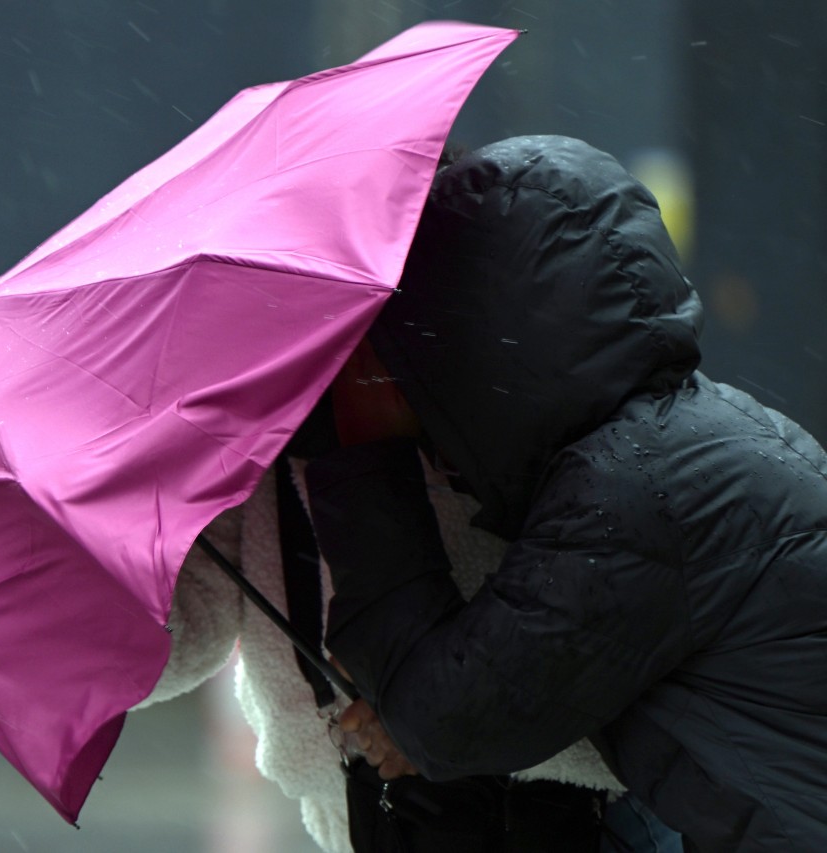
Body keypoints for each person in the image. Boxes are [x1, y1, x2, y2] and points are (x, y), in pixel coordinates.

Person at [304, 135, 827, 852]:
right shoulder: (691, 441)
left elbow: (452, 718)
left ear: (476, 341)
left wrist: (364, 444)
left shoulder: (632, 498)